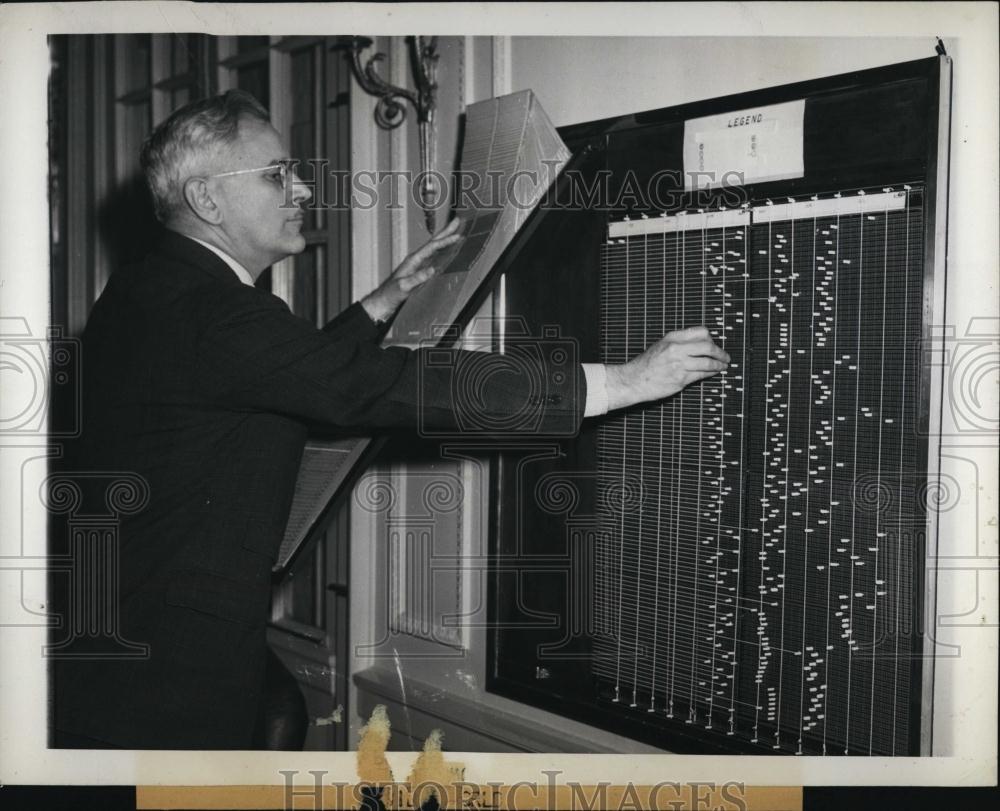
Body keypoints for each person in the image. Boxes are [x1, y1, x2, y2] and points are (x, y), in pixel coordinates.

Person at [51, 90, 730, 750]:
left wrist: (383, 301)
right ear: (206, 199)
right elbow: (377, 386)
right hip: (163, 687)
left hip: (119, 651)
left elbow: (292, 370)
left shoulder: (149, 290)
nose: (303, 192)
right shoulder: (217, 312)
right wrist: (618, 380)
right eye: (275, 174)